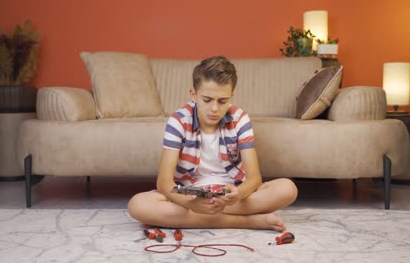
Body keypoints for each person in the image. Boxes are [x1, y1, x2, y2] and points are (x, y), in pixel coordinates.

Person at [127, 56, 297, 232]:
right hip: (190, 193)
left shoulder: (240, 119)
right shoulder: (178, 120)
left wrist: (239, 193)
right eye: (207, 100)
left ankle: (196, 218)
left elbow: (254, 178)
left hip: (231, 193)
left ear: (231, 95)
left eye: (222, 101)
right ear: (193, 94)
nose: (215, 109)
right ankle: (249, 221)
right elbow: (164, 182)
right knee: (138, 205)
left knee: (287, 189)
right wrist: (191, 204)